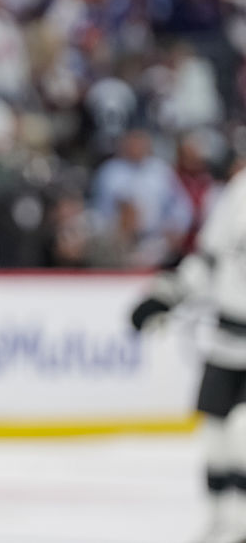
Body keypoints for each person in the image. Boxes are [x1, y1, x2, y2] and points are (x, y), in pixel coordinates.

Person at [129, 166, 246, 543]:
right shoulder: (239, 191)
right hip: (226, 341)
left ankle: (241, 521)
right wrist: (164, 296)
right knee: (214, 435)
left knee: (242, 434)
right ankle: (217, 519)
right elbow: (208, 258)